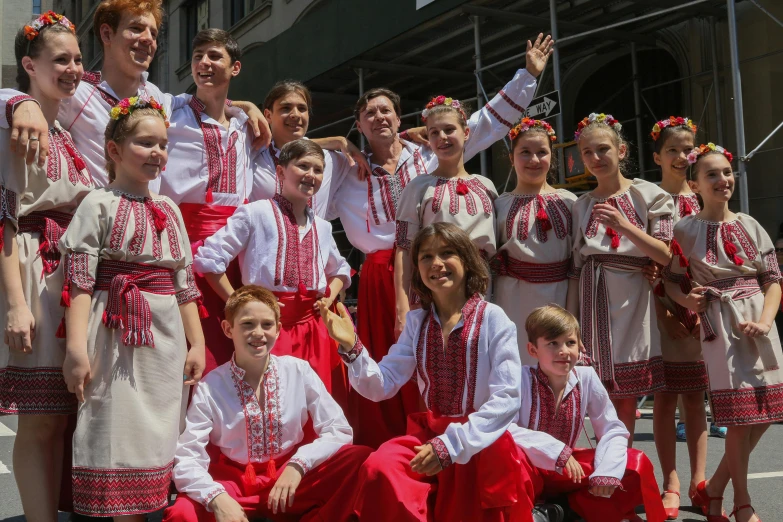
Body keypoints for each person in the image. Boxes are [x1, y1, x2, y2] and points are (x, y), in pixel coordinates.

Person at [326, 34, 554, 448]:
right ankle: (389, 445)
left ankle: (452, 439)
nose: (379, 118)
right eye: (368, 113)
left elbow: (485, 120)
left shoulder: (427, 156)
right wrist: (337, 144)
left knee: (462, 357)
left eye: (387, 111)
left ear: (400, 119)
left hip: (444, 272)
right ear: (358, 125)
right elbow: (287, 155)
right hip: (390, 274)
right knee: (394, 360)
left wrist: (528, 75)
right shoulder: (343, 169)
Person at [319, 223, 529, 521]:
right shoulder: (417, 324)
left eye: (447, 253)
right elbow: (382, 385)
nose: (437, 263)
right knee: (381, 467)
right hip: (429, 437)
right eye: (426, 257)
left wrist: (452, 444)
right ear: (417, 270)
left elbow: (507, 398)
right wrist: (353, 347)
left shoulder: (494, 319)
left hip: (479, 442)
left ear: (468, 261)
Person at [59, 96, 206, 518]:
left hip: (165, 341)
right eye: (145, 143)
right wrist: (75, 350)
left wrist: (196, 344)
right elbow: (80, 282)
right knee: (111, 425)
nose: (157, 153)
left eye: (162, 144)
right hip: (112, 332)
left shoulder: (169, 208)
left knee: (158, 435)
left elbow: (184, 283)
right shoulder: (97, 203)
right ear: (114, 150)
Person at [1, 0, 270, 185]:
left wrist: (245, 106)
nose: (148, 40)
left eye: (153, 33)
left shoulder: (159, 98)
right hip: (94, 238)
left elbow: (202, 101)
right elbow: (23, 95)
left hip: (148, 239)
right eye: (136, 29)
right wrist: (23, 103)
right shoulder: (78, 94)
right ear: (107, 34)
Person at [162, 285, 372, 522]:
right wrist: (216, 498)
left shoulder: (298, 370)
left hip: (291, 481)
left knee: (360, 458)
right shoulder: (211, 385)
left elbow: (338, 430)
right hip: (234, 485)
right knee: (182, 513)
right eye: (248, 324)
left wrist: (299, 464)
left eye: (267, 325)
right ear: (228, 329)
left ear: (279, 329)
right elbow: (187, 454)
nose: (258, 333)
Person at [0, 13, 93, 522]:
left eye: (77, 59)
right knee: (38, 420)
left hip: (64, 271)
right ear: (30, 66)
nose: (74, 68)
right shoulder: (16, 123)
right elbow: (3, 220)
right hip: (35, 271)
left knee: (58, 417)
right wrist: (17, 304)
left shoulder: (61, 131)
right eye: (61, 59)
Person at [664, 143, 783, 522]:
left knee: (766, 413)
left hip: (760, 322)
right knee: (739, 418)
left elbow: (773, 280)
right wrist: (688, 302)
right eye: (711, 174)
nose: (722, 180)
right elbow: (670, 282)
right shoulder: (684, 229)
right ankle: (741, 502)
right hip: (722, 325)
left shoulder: (751, 224)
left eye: (726, 173)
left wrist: (765, 322)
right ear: (695, 184)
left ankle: (714, 488)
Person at [193, 140, 351, 394]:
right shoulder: (254, 213)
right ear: (280, 172)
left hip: (314, 330)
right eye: (303, 166)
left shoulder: (322, 226)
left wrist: (328, 296)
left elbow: (341, 269)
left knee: (314, 402)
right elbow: (209, 260)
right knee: (273, 399)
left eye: (318, 169)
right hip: (267, 328)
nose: (311, 175)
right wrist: (239, 301)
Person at [155, 29, 257, 373]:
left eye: (215, 56)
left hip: (238, 251)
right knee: (194, 349)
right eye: (198, 56)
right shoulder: (172, 113)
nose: (204, 63)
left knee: (240, 345)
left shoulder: (246, 125)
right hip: (185, 244)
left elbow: (295, 145)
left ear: (235, 68)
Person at [568, 112, 673, 442]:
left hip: (632, 298)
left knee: (625, 398)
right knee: (596, 396)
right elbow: (575, 265)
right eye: (588, 153)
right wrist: (571, 319)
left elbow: (666, 255)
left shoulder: (651, 195)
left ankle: (622, 471)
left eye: (603, 150)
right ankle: (606, 466)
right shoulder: (580, 205)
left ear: (622, 151)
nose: (596, 158)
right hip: (591, 295)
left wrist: (624, 225)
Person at [510, 305, 666, 522]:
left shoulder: (586, 377)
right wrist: (555, 450)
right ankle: (550, 510)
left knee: (635, 463)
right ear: (533, 350)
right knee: (507, 455)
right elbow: (504, 429)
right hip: (528, 472)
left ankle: (559, 510)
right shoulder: (520, 379)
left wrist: (607, 472)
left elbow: (612, 428)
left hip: (569, 473)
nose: (563, 350)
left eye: (570, 342)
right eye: (552, 343)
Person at [648, 116, 709, 519]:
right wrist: (665, 308)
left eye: (687, 149)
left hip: (701, 307)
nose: (681, 156)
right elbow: (645, 263)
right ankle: (670, 480)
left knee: (695, 396)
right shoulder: (647, 197)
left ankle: (698, 481)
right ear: (657, 156)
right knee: (666, 396)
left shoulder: (703, 196)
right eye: (672, 150)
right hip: (661, 304)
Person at [394, 96, 498, 325]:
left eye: (449, 129)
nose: (442, 137)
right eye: (434, 132)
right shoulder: (418, 187)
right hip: (434, 284)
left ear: (466, 132)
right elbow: (403, 248)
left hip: (482, 285)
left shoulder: (486, 186)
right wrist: (402, 308)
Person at [491, 118, 577, 364]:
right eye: (525, 152)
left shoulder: (570, 201)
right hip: (514, 298)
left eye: (542, 152)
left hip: (561, 295)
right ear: (511, 158)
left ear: (552, 155)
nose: (534, 160)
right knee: (519, 364)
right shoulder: (499, 204)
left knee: (558, 364)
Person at [250, 80, 370, 218]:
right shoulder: (252, 158)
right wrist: (248, 106)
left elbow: (373, 171)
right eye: (286, 108)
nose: (295, 114)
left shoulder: (331, 159)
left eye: (302, 108)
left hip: (316, 238)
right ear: (268, 115)